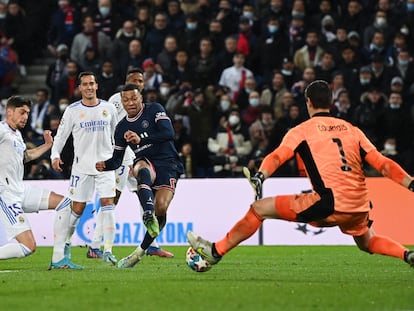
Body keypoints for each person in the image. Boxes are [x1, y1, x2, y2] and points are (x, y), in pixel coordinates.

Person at [187, 80, 414, 269]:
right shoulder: (351, 129)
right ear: (331, 102)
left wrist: (261, 176)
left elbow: (278, 156)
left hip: (328, 204)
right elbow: (383, 164)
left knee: (259, 209)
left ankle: (215, 251)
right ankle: (407, 255)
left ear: (308, 102)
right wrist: (411, 183)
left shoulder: (302, 131)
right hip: (359, 205)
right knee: (368, 241)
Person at [89, 68, 174, 259]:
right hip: (122, 156)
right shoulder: (115, 101)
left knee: (145, 197)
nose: (138, 83)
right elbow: (111, 129)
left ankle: (152, 244)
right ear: (126, 82)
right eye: (134, 80)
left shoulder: (148, 107)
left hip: (138, 157)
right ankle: (95, 245)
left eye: (141, 80)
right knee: (113, 198)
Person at [49, 71, 119, 269]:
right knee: (77, 209)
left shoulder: (108, 108)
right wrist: (55, 155)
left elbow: (118, 137)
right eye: (85, 84)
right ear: (79, 88)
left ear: (96, 86)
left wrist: (120, 161)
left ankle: (108, 250)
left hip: (105, 166)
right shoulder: (72, 110)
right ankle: (67, 243)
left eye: (92, 83)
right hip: (81, 168)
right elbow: (61, 136)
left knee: (108, 202)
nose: (89, 87)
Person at [0, 96, 72, 260]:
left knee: (65, 203)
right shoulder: (2, 130)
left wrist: (47, 146)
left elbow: (25, 156)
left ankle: (59, 259)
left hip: (21, 189)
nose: (25, 116)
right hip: (6, 195)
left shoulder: (16, 134)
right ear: (9, 112)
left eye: (27, 113)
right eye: (22, 112)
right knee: (28, 247)